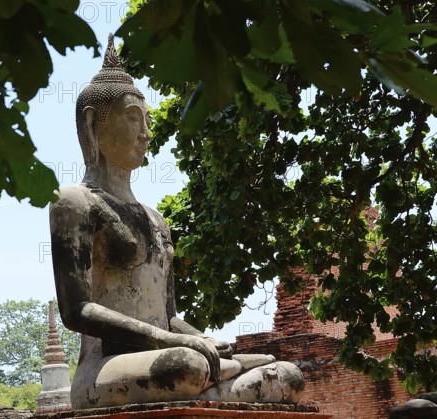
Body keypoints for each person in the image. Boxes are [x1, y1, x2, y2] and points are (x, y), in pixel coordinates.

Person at [49, 35, 304, 409]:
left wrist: (201, 337)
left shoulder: (156, 219)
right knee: (186, 365)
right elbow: (77, 311)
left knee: (286, 374)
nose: (145, 133)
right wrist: (174, 343)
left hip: (167, 356)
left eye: (148, 120)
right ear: (92, 124)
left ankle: (213, 395)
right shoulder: (74, 201)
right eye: (133, 118)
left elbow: (169, 317)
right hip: (107, 367)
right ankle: (217, 391)